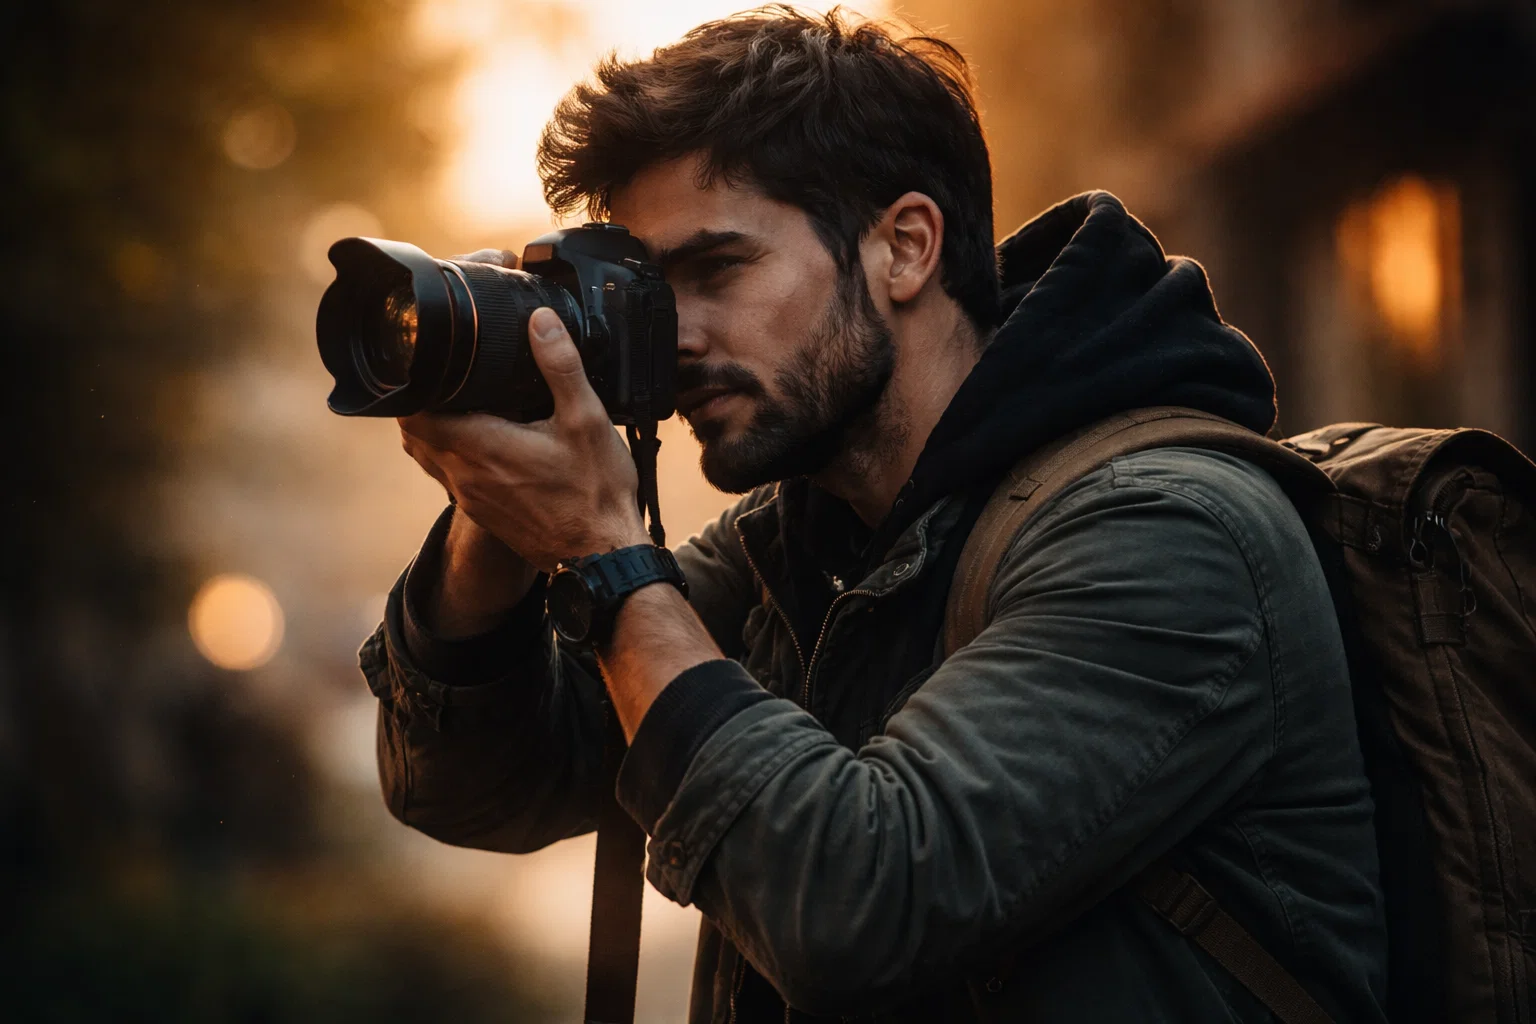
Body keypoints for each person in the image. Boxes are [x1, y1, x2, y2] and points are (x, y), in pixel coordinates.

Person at [362, 9, 1387, 1021]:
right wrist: (494, 510)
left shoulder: (1167, 533)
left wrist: (609, 555)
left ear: (904, 247)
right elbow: (477, 782)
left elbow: (859, 907)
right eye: (653, 293)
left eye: (716, 269)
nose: (677, 336)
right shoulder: (802, 546)